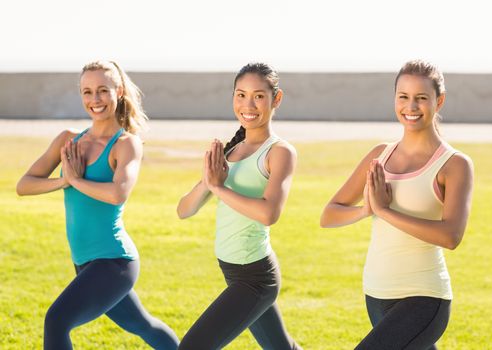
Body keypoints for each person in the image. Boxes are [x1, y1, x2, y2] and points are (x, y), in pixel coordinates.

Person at [16, 60, 179, 350]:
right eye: (87, 92)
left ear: (119, 93)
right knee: (143, 325)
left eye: (103, 90)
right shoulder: (68, 140)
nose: (95, 99)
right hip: (85, 262)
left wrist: (76, 181)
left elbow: (118, 193)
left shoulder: (126, 144)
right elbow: (24, 185)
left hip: (115, 262)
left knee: (57, 320)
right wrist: (63, 181)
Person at [320, 59, 474, 349]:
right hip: (377, 294)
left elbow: (451, 236)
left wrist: (385, 211)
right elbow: (329, 214)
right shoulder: (380, 155)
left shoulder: (454, 164)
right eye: (403, 97)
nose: (411, 106)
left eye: (421, 98)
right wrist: (366, 210)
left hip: (424, 297)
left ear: (438, 101)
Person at [177, 62, 302, 350]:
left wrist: (219, 187)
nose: (248, 104)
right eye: (240, 95)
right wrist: (208, 182)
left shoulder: (279, 151)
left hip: (255, 277)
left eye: (258, 96)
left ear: (276, 99)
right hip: (233, 271)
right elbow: (184, 210)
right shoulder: (231, 149)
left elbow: (269, 213)